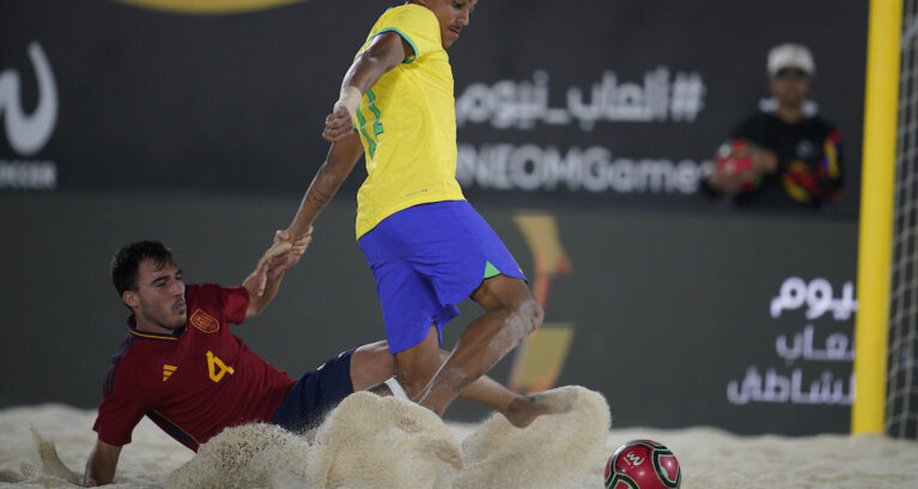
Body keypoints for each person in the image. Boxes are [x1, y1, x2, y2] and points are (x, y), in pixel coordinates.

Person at [263, 0, 543, 419]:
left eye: (470, 10)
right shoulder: (412, 22)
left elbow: (332, 171)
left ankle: (494, 413)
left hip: (378, 226)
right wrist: (348, 99)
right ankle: (428, 423)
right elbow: (377, 54)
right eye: (457, 3)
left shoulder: (385, 82)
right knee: (521, 309)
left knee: (416, 370)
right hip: (425, 205)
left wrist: (291, 237)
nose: (463, 19)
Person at [83, 234, 560, 486]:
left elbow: (251, 302)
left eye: (176, 277)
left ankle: (514, 407)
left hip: (291, 399)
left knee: (395, 354)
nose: (177, 290)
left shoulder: (202, 301)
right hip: (251, 450)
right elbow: (104, 458)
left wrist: (274, 270)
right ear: (131, 298)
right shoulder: (130, 373)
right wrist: (90, 481)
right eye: (160, 284)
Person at [702, 42, 844, 210]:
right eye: (783, 76)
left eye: (799, 76)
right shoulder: (751, 128)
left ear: (811, 83)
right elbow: (714, 186)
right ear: (771, 83)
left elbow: (833, 189)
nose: (791, 84)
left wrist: (777, 166)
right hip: (752, 225)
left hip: (807, 228)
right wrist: (719, 182)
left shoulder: (825, 134)